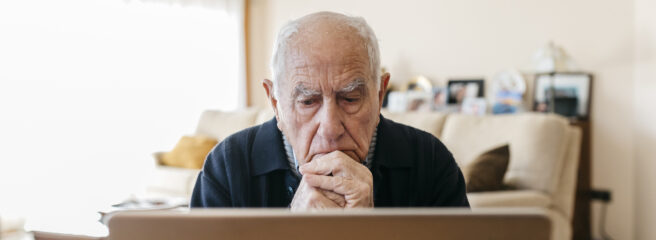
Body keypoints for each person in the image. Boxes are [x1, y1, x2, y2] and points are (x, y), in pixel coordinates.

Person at [191, 11, 469, 210]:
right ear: (275, 103)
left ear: (380, 94)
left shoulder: (430, 162)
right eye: (308, 102)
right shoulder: (227, 167)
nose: (330, 127)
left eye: (350, 98)